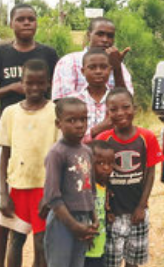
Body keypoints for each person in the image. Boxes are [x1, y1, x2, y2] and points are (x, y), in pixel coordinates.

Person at [0, 3, 59, 267]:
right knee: (5, 203)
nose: (27, 23)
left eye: (31, 19)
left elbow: (57, 91)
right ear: (11, 23)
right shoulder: (0, 54)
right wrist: (10, 88)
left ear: (37, 23)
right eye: (21, 19)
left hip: (43, 132)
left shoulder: (48, 53)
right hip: (11, 135)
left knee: (41, 216)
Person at [0, 59, 60, 267]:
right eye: (30, 83)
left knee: (41, 243)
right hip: (18, 187)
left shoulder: (55, 111)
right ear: (22, 83)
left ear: (48, 83)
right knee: (16, 240)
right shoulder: (11, 113)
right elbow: (4, 153)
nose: (35, 88)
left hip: (44, 188)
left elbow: (60, 155)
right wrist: (3, 192)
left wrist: (52, 192)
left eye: (40, 83)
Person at [96, 88, 164, 267]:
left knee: (133, 261)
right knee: (111, 260)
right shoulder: (104, 139)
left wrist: (142, 206)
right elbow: (99, 178)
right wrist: (106, 208)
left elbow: (150, 173)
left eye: (125, 107)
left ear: (135, 108)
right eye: (114, 109)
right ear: (107, 112)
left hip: (137, 212)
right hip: (112, 214)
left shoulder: (146, 137)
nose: (120, 113)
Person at [43, 97, 98, 267]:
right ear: (58, 124)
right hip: (63, 220)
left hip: (83, 221)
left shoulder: (87, 151)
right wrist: (73, 226)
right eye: (71, 120)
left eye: (83, 119)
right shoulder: (57, 153)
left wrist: (93, 220)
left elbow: (91, 191)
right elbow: (52, 197)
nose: (79, 125)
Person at [53, 17, 132, 100]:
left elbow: (126, 102)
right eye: (100, 34)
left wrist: (117, 69)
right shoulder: (69, 62)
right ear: (88, 35)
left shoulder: (118, 65)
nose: (105, 40)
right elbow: (62, 102)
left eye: (110, 36)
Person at [71, 48, 116, 143]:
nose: (98, 71)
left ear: (110, 70)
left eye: (103, 67)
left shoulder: (116, 100)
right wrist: (97, 130)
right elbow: (70, 139)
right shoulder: (74, 102)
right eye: (92, 67)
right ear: (83, 71)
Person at [85, 140, 116, 267]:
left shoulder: (105, 187)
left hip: (99, 246)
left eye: (110, 163)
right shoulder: (85, 188)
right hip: (85, 247)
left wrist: (108, 213)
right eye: (100, 163)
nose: (106, 168)